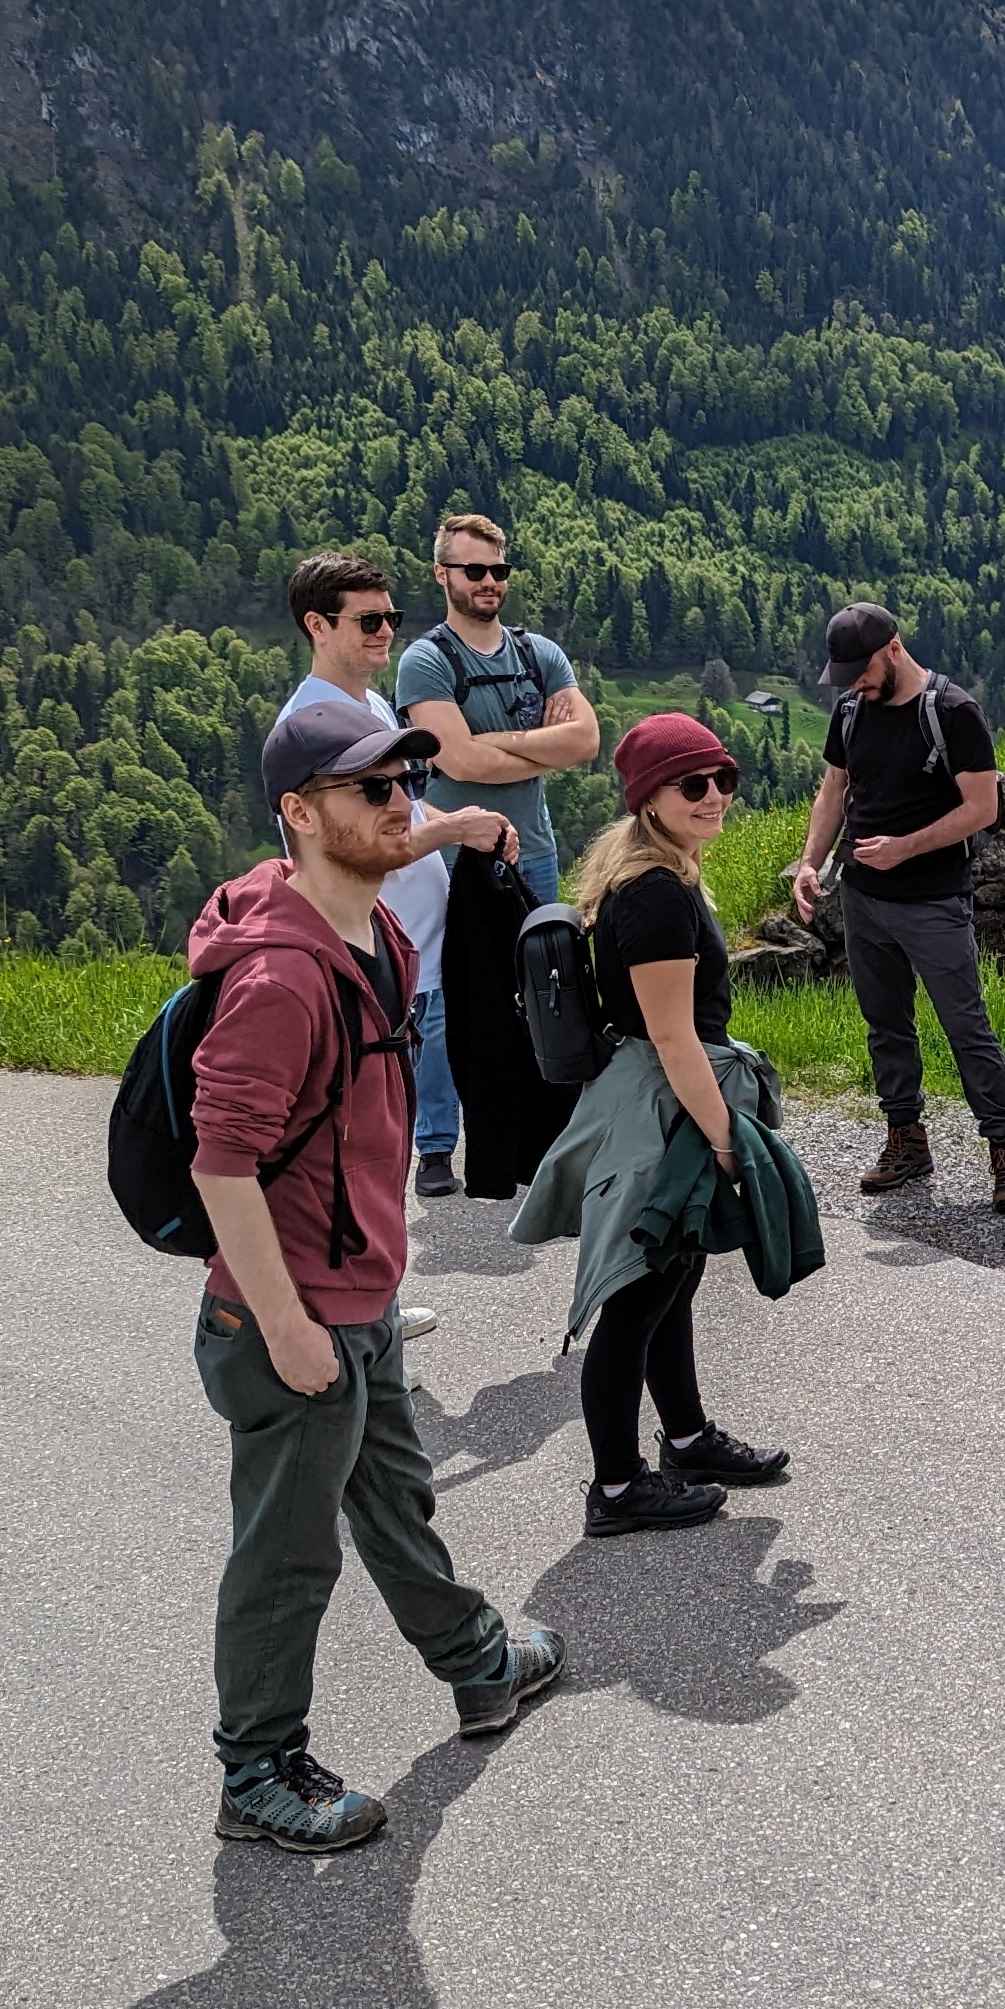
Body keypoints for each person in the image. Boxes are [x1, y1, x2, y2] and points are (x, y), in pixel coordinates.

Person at [182, 686, 563, 1854]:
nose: (405, 803)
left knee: (395, 1493)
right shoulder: (282, 976)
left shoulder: (376, 932)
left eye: (405, 783)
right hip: (289, 1317)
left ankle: (476, 1659)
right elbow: (221, 1163)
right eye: (374, 789)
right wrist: (289, 1327)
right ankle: (256, 1769)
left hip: (362, 1297)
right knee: (289, 1555)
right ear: (301, 814)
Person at [559, 711, 796, 1534]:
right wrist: (729, 1142)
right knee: (640, 1289)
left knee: (675, 1274)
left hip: (660, 1091)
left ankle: (687, 1437)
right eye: (693, 785)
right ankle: (618, 1488)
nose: (715, 797)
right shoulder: (656, 895)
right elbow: (672, 1034)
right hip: (665, 1101)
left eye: (724, 780)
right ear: (648, 798)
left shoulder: (659, 874)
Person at [277, 550, 518, 1338]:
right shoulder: (309, 725)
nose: (386, 632)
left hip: (406, 945)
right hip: (358, 954)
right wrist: (453, 826)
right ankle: (346, 1314)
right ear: (317, 625)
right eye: (368, 620)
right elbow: (354, 846)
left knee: (387, 1139)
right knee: (358, 1145)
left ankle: (372, 1300)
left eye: (392, 618)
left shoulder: (373, 706)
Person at [787, 601, 1005, 1214]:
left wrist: (906, 849)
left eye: (863, 671)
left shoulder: (953, 712)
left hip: (932, 899)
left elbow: (983, 807)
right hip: (863, 899)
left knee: (965, 1026)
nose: (855, 686)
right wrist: (809, 863)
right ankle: (907, 1139)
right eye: (845, 676)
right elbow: (833, 792)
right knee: (885, 1026)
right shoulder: (850, 710)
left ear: (893, 649)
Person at [395, 510, 599, 1198]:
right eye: (472, 570)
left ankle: (540, 1138)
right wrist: (530, 748)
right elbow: (455, 759)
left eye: (497, 570)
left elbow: (585, 741)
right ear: (442, 574)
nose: (487, 582)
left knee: (548, 991)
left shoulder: (538, 651)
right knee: (450, 998)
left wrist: (493, 751)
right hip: (455, 854)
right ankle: (436, 1146)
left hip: (532, 850)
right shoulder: (426, 660)